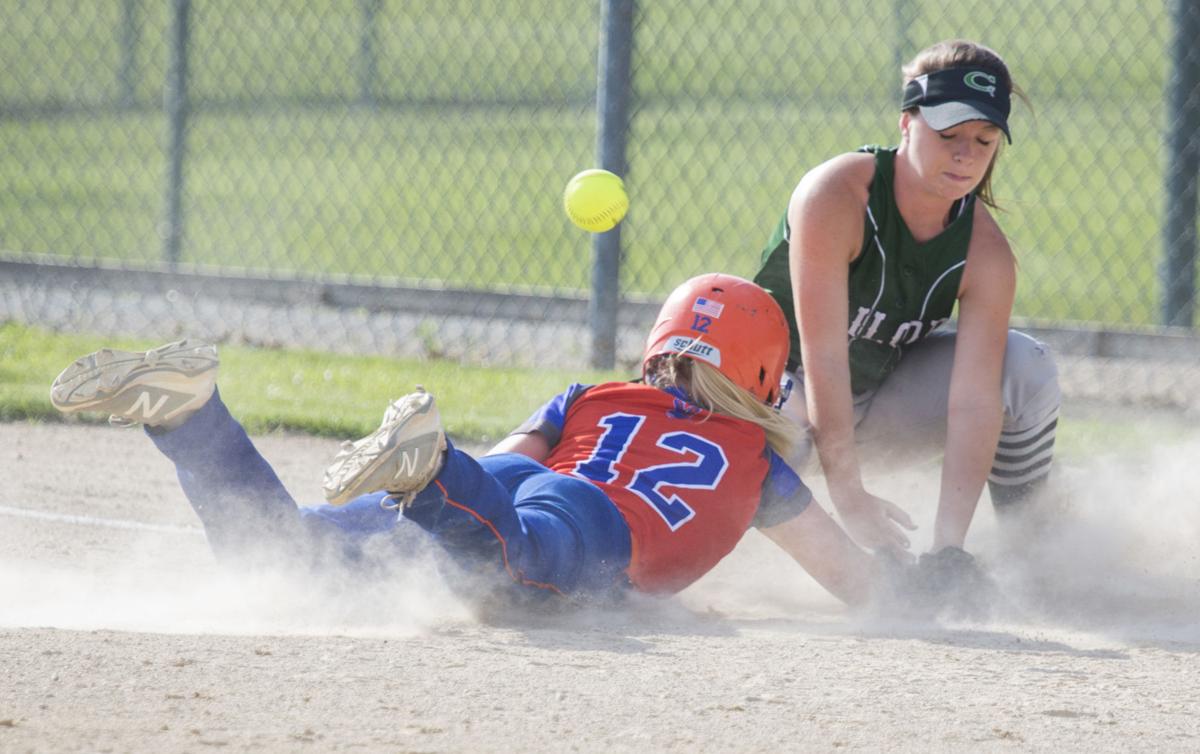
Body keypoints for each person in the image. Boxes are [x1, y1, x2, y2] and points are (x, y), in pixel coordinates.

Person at [49, 274, 910, 608]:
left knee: (277, 555)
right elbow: (852, 581)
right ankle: (430, 471)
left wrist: (455, 483)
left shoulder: (595, 394)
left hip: (506, 481)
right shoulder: (755, 464)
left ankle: (191, 415)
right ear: (764, 375)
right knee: (521, 574)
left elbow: (514, 460)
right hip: (574, 526)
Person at [752, 39, 1061, 561]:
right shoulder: (836, 196)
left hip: (875, 404)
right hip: (777, 391)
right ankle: (707, 555)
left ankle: (1029, 555)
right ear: (906, 123)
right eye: (949, 134)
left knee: (1026, 367)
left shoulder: (986, 254)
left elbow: (973, 401)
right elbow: (823, 357)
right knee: (790, 430)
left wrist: (948, 548)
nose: (966, 155)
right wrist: (849, 498)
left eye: (984, 140)